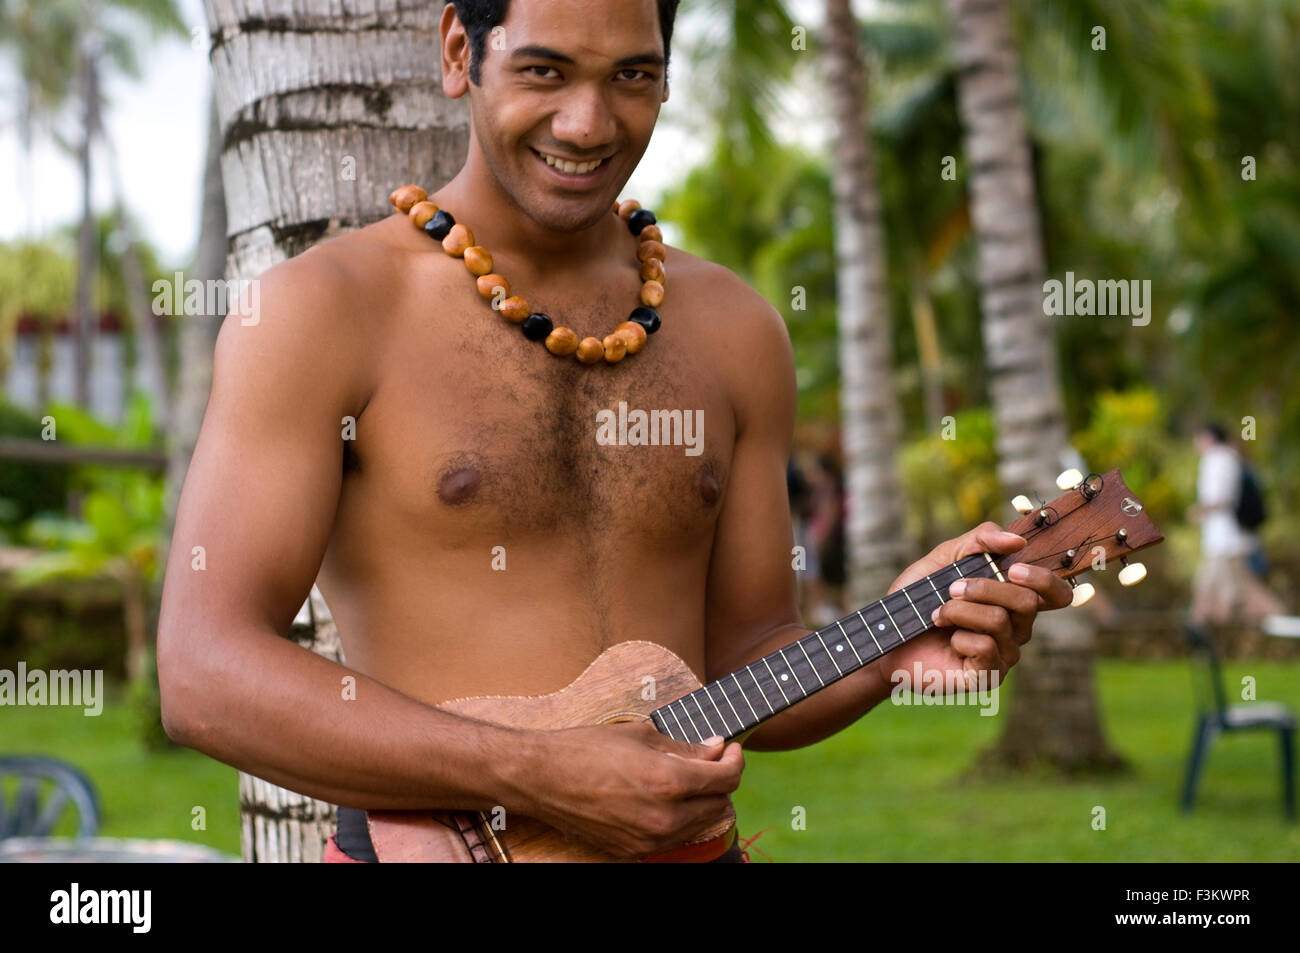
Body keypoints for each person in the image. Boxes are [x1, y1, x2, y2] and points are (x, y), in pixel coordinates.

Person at [156, 0, 1072, 863]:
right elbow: (204, 670)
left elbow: (748, 654)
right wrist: (535, 772)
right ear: (459, 52)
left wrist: (883, 651)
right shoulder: (326, 312)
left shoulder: (737, 331)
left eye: (633, 75)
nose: (589, 124)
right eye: (546, 71)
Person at [1189, 422, 1284, 625]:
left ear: (1210, 437)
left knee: (1238, 589)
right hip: (1230, 539)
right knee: (1229, 590)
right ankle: (1201, 632)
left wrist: (1199, 511)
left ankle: (1282, 621)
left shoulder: (1215, 459)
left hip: (1225, 541)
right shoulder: (1230, 458)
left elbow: (1221, 498)